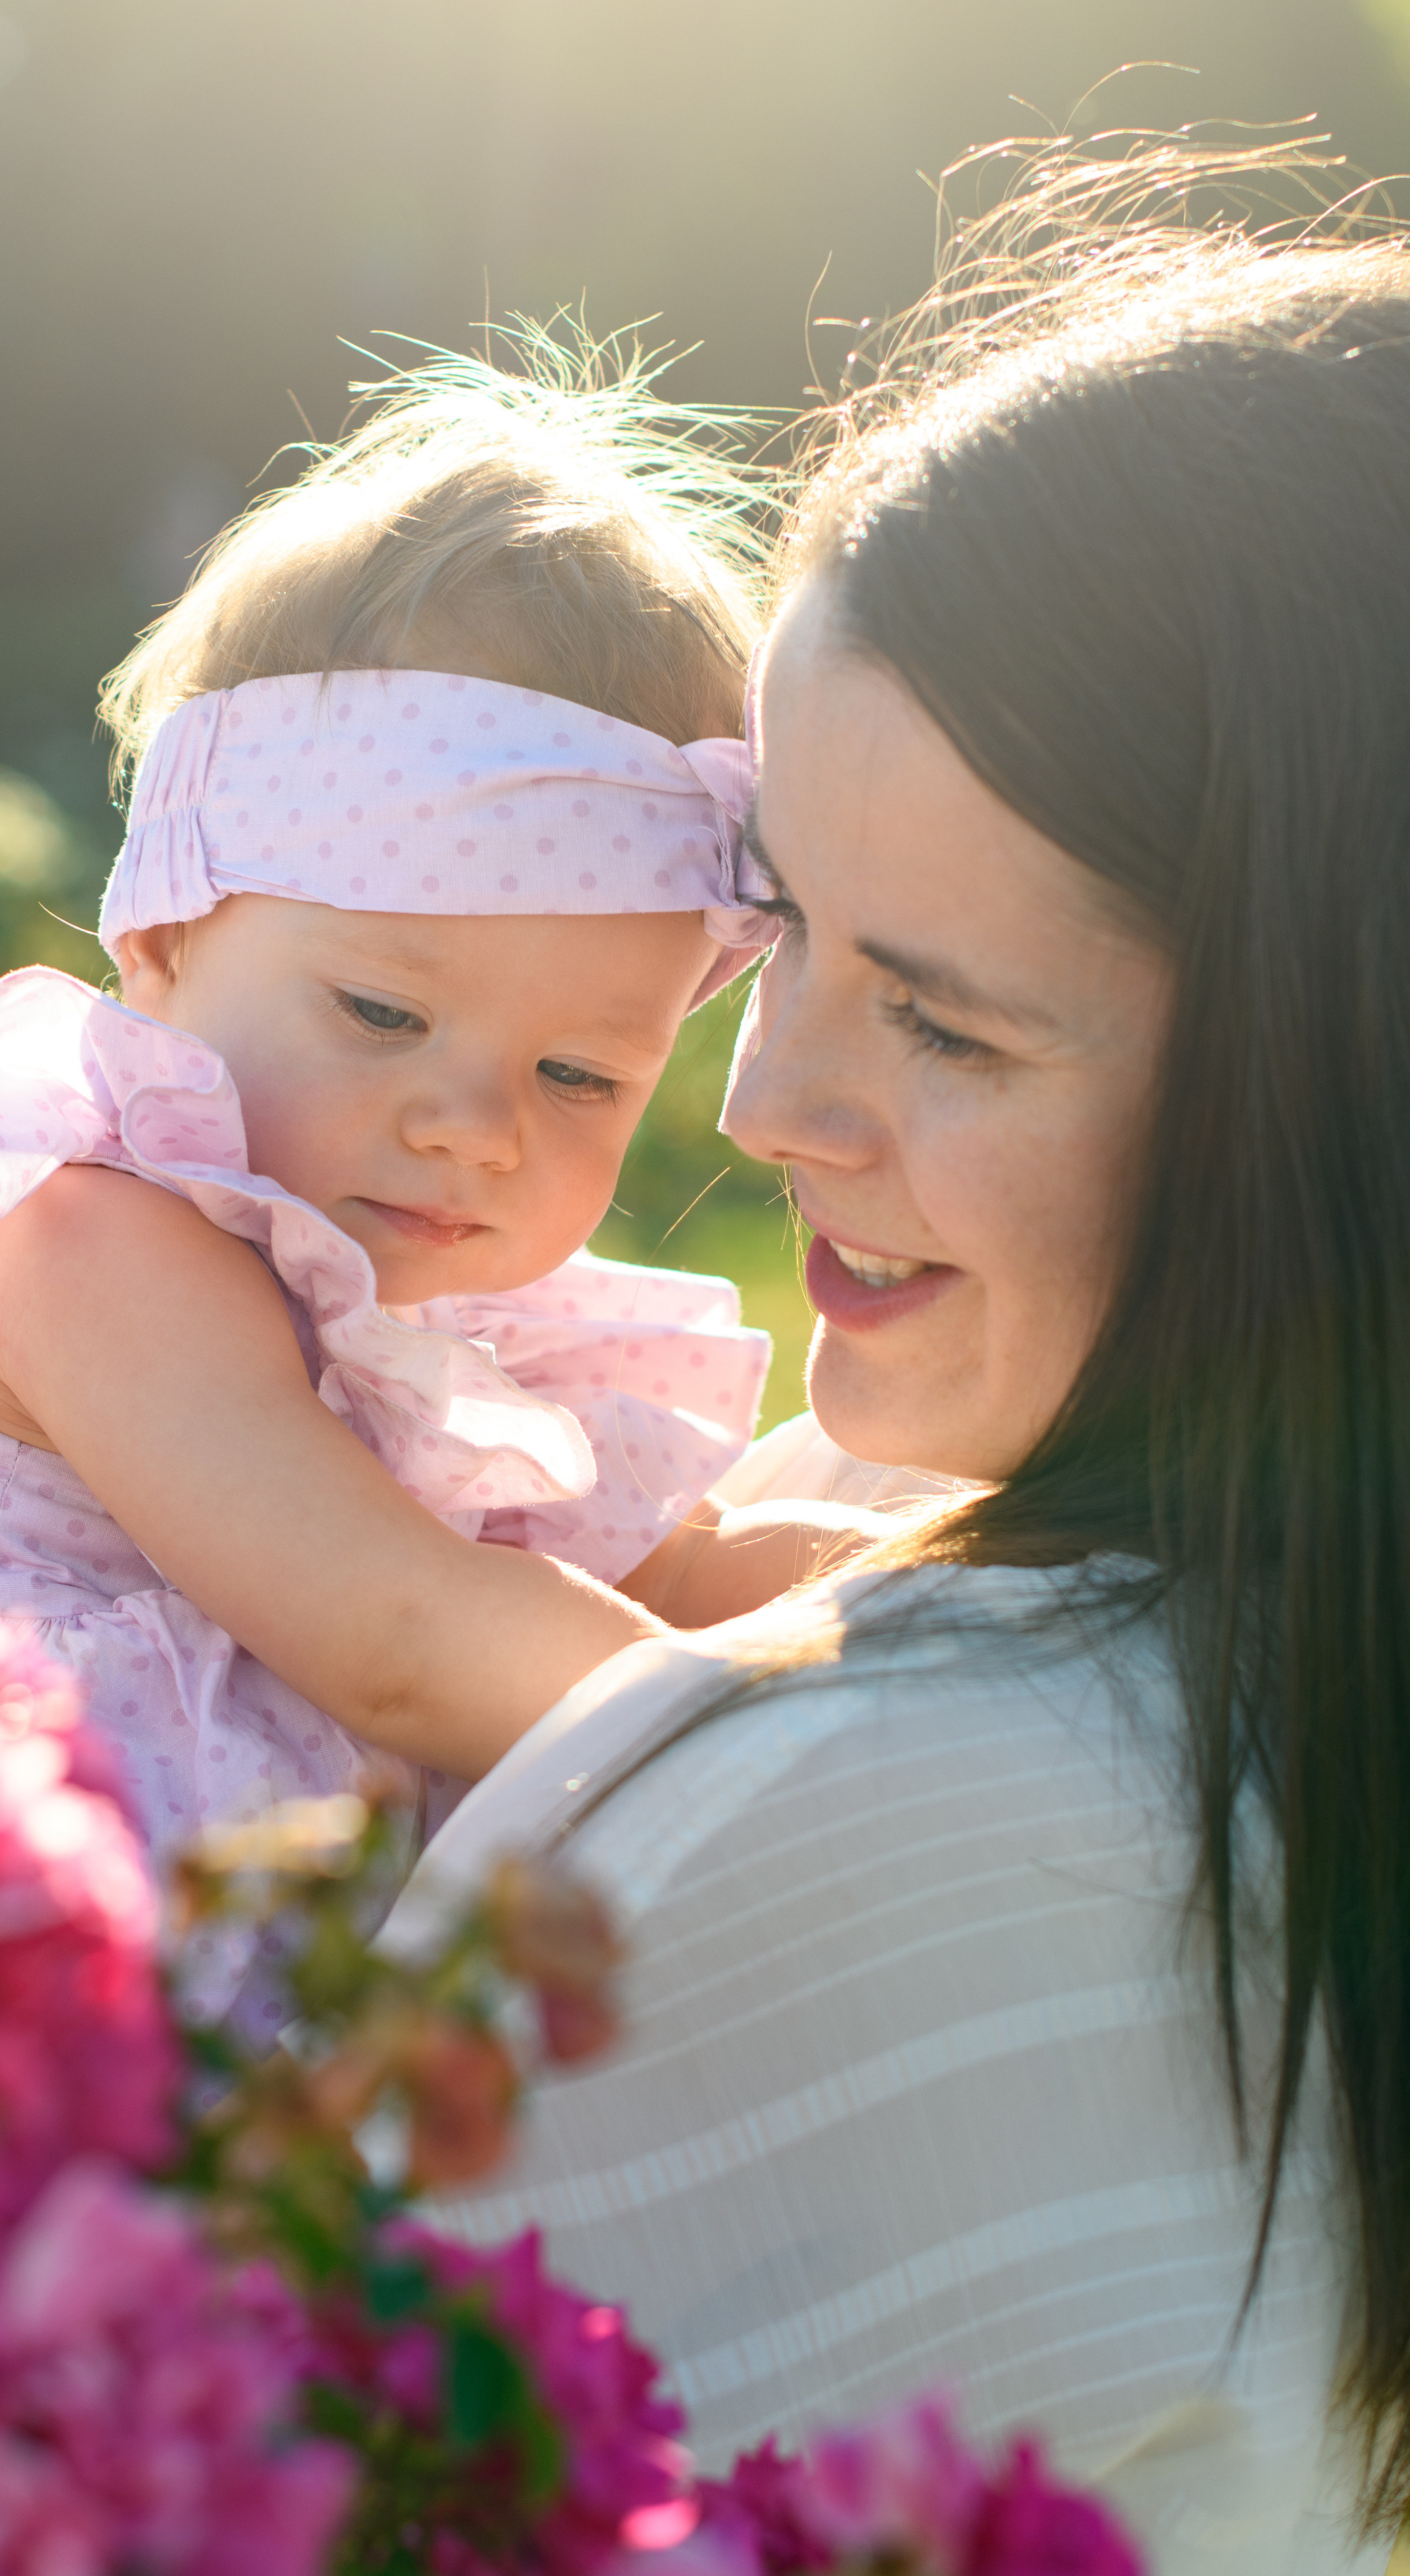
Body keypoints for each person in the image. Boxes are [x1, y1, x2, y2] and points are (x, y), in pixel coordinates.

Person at [390, 151, 1410, 2574]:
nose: (757, 1108)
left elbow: (138, 2456)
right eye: (785, 926)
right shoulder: (1301, 1723)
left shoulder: (888, 1798)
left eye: (943, 1022)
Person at [0, 353, 854, 1988]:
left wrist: (963, 1603)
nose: (477, 1125)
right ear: (162, 932)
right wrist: (837, 1751)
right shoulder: (85, 1244)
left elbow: (657, 1573)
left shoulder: (437, 1353)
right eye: (382, 1011)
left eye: (578, 1073)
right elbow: (401, 1632)